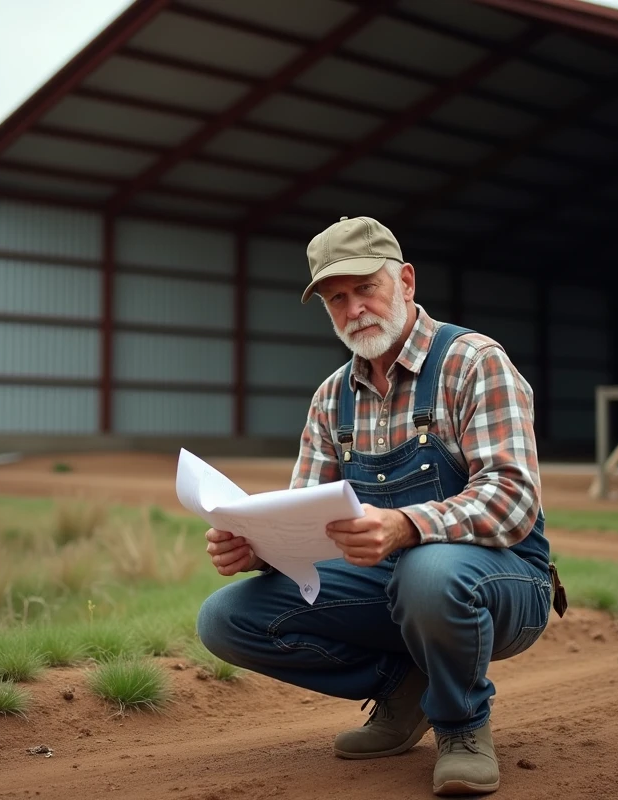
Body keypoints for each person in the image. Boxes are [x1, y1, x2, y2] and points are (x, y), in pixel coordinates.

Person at [196, 215, 565, 797]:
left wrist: (407, 525)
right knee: (225, 618)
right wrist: (258, 548)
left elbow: (512, 499)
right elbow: (307, 522)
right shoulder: (330, 399)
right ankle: (406, 686)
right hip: (396, 587)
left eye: (366, 287)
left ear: (407, 282)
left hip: (505, 582)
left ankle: (463, 725)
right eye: (336, 299)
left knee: (429, 569)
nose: (354, 309)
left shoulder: (473, 362)